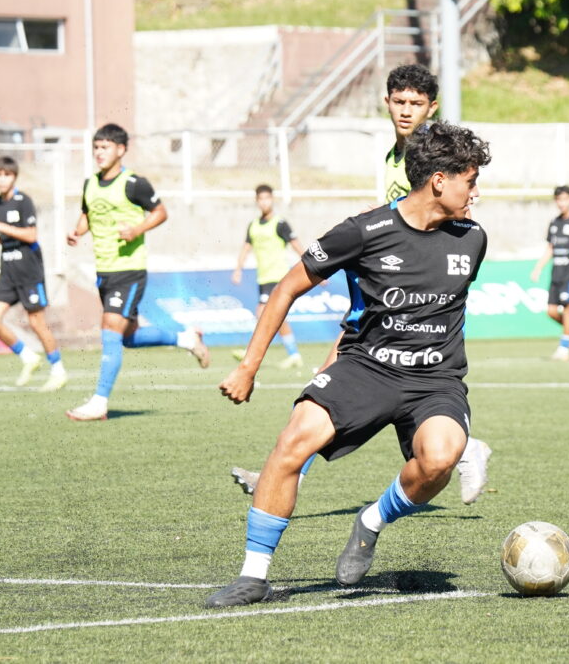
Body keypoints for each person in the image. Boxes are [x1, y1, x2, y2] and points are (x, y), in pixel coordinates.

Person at [205, 122, 491, 608]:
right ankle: (254, 577)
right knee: (294, 440)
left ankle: (371, 522)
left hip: (435, 380)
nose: (476, 192)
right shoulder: (364, 231)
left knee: (440, 458)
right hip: (368, 368)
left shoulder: (472, 240)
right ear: (439, 180)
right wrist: (248, 366)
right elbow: (287, 288)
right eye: (470, 180)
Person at [229, 64, 494, 505]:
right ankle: (284, 467)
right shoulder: (396, 156)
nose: (406, 111)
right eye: (399, 101)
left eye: (416, 103)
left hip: (407, 297)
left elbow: (454, 217)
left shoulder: (442, 155)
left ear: (432, 107)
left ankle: (462, 448)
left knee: (340, 379)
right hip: (373, 285)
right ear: (386, 102)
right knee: (332, 380)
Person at [63, 123, 209, 422]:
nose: (99, 152)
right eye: (96, 147)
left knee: (109, 330)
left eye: (105, 147)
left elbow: (160, 212)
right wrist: (77, 232)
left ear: (121, 149)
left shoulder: (134, 183)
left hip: (128, 271)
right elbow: (89, 213)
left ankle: (99, 402)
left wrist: (136, 229)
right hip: (103, 271)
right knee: (127, 336)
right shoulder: (90, 183)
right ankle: (186, 339)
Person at [0, 156, 67, 390]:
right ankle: (28, 357)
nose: (1, 179)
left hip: (29, 271)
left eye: (6, 174)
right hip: (8, 271)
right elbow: (11, 230)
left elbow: (31, 235)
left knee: (37, 322)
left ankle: (58, 370)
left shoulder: (24, 201)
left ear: (14, 176)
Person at [230, 184, 307, 370]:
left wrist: (313, 265)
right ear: (257, 201)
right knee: (276, 317)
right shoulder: (253, 226)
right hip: (263, 278)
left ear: (272, 199)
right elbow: (246, 248)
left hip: (279, 276)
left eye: (267, 198)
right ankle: (294, 354)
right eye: (261, 199)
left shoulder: (280, 223)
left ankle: (252, 352)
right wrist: (238, 269)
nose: (264, 202)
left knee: (262, 311)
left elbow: (296, 244)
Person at [530, 185, 569, 361]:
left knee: (567, 310)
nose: (562, 203)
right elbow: (550, 247)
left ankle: (563, 349)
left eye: (565, 199)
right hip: (556, 273)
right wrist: (538, 268)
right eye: (559, 200)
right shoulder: (554, 223)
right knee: (551, 311)